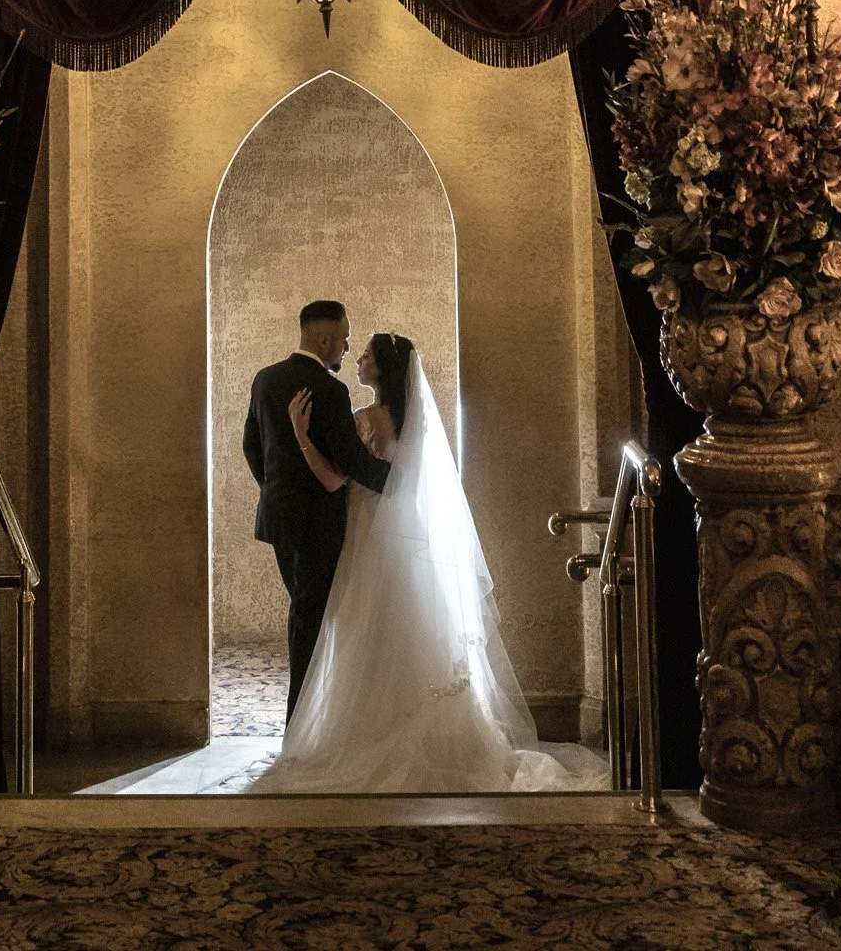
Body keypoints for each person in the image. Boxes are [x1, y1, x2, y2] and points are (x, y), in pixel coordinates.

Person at [252, 330, 607, 794]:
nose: (357, 359)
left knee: (362, 633)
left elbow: (339, 481)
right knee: (405, 629)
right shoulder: (411, 422)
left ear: (381, 369)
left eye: (366, 355)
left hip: (365, 536)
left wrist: (301, 436)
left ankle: (361, 735)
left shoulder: (366, 418)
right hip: (399, 536)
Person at [242, 300, 389, 721]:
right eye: (343, 339)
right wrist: (399, 481)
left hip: (279, 520)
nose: (345, 348)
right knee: (309, 619)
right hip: (319, 523)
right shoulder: (329, 390)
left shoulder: (265, 379)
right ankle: (298, 725)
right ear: (324, 339)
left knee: (307, 612)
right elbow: (350, 460)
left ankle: (312, 722)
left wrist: (275, 491)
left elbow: (251, 446)